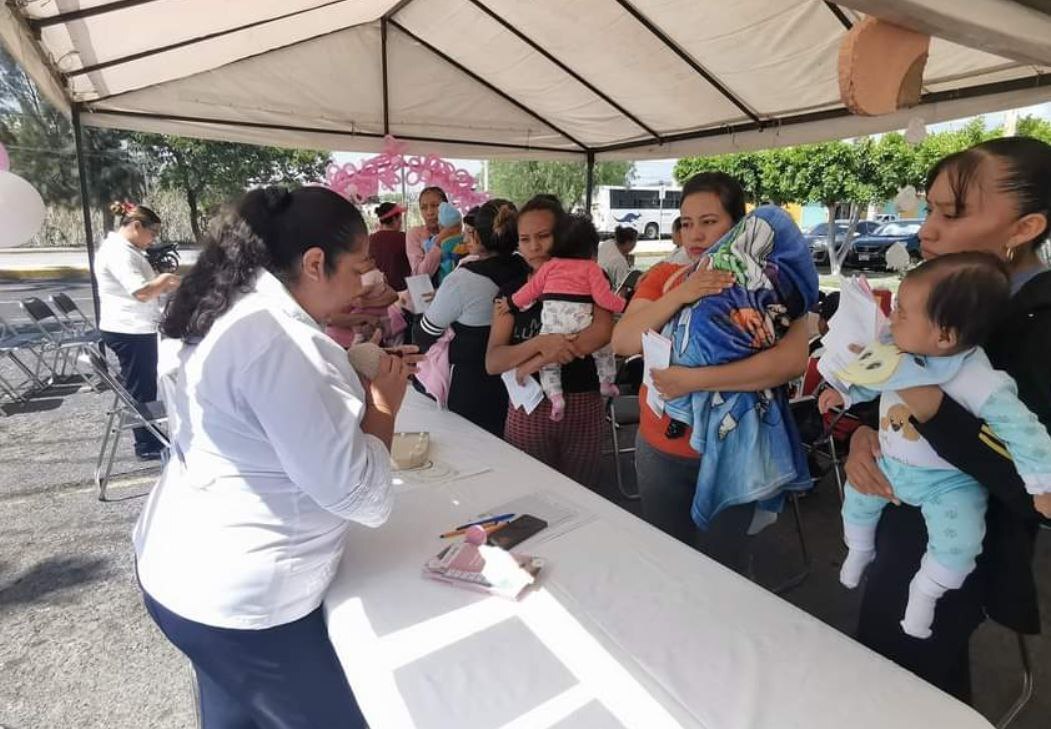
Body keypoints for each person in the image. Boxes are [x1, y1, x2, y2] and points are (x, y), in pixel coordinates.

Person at [134, 187, 414, 729]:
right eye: (358, 270)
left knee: (234, 714)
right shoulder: (280, 341)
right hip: (244, 600)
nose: (364, 286)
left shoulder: (224, 304)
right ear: (314, 262)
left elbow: (254, 426)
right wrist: (383, 405)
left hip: (180, 566)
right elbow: (361, 496)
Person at [845, 136, 1051, 701]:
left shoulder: (1039, 327)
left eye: (952, 212)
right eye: (929, 209)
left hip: (970, 548)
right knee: (886, 673)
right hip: (900, 514)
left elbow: (1035, 482)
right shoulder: (940, 296)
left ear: (1025, 227)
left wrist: (931, 408)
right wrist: (864, 435)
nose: (925, 230)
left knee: (905, 687)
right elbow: (885, 392)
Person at [819, 253, 1051, 639]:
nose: (892, 320)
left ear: (945, 336)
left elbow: (1022, 430)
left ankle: (924, 593)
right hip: (890, 465)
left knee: (958, 543)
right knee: (857, 501)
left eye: (902, 313)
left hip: (948, 484)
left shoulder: (976, 378)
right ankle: (858, 551)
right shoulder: (900, 347)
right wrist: (842, 394)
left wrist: (1042, 482)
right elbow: (868, 378)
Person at [611, 173, 811, 571]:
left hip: (731, 452)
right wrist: (685, 292)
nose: (695, 234)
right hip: (660, 448)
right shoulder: (665, 276)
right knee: (667, 562)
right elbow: (623, 341)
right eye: (686, 223)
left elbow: (789, 363)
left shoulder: (770, 284)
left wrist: (694, 381)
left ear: (737, 224)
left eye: (709, 221)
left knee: (724, 566)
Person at [486, 195, 614, 490]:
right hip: (528, 409)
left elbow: (601, 332)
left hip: (584, 402)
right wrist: (541, 344)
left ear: (563, 235)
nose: (534, 247)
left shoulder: (591, 275)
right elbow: (493, 361)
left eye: (544, 236)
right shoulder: (512, 293)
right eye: (525, 239)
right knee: (529, 492)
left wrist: (538, 360)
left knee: (583, 494)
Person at [413, 199, 530, 436]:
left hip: (471, 385)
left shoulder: (464, 280)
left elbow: (426, 332)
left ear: (478, 236)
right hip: (520, 382)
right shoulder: (526, 269)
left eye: (469, 232)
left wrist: (416, 308)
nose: (465, 238)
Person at [509, 215, 624, 421]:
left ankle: (555, 396)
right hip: (581, 325)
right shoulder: (592, 268)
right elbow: (604, 299)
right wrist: (624, 304)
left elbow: (530, 291)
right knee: (604, 350)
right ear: (591, 249)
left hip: (552, 327)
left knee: (549, 367)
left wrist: (511, 303)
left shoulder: (549, 267)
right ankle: (606, 382)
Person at [95, 201, 179, 461]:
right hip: (129, 329)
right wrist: (163, 281)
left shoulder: (128, 249)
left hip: (134, 327)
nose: (152, 240)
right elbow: (141, 292)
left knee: (144, 384)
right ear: (135, 226)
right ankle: (146, 443)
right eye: (151, 233)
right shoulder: (119, 253)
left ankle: (151, 435)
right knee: (141, 388)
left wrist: (163, 286)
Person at [405, 186, 449, 278]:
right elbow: (419, 275)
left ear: (446, 207)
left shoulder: (456, 234)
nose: (429, 212)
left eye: (435, 206)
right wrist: (438, 243)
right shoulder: (415, 234)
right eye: (424, 208)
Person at [369, 202, 410, 292]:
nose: (401, 221)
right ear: (395, 219)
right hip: (402, 291)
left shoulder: (370, 239)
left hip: (378, 291)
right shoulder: (405, 238)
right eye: (400, 217)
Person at [597, 225, 638, 290]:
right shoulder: (620, 262)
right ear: (628, 243)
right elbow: (622, 290)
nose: (635, 245)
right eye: (635, 242)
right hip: (607, 291)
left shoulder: (607, 243)